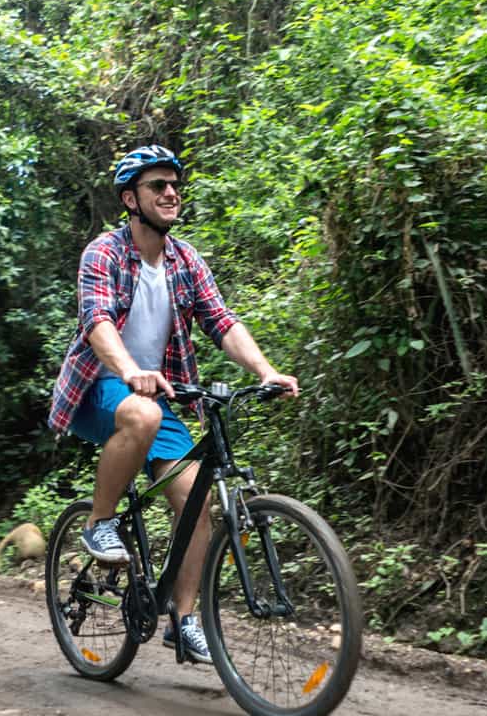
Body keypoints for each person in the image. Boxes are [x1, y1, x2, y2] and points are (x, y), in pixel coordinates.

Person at [46, 145, 298, 665]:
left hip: (159, 395)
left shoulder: (186, 260)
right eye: (157, 185)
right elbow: (97, 324)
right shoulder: (104, 253)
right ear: (130, 200)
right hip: (100, 385)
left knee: (198, 502)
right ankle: (99, 522)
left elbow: (222, 322)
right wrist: (130, 369)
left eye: (173, 184)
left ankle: (184, 622)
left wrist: (266, 371)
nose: (170, 192)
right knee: (142, 411)